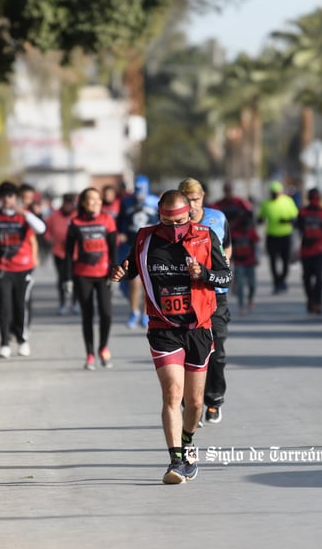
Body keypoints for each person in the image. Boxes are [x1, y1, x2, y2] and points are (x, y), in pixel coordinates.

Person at [110, 190, 232, 484]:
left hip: (199, 328)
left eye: (178, 221)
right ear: (158, 217)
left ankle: (188, 443)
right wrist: (121, 272)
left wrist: (203, 273)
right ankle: (176, 461)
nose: (173, 228)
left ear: (189, 214)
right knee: (172, 394)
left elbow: (226, 276)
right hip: (163, 328)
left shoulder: (205, 237)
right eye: (166, 221)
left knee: (194, 402)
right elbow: (132, 267)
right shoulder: (146, 238)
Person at [179, 178, 232, 425]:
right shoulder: (174, 223)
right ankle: (191, 404)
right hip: (187, 295)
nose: (192, 205)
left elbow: (227, 248)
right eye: (187, 200)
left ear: (203, 198)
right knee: (190, 351)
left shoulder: (218, 218)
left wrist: (220, 266)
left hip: (215, 294)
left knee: (217, 350)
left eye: (196, 199)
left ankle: (214, 399)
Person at [0, 180, 47, 359]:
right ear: (0, 198)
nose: (7, 200)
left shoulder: (24, 216)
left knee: (20, 305)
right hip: (1, 268)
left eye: (11, 196)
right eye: (4, 196)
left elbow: (41, 229)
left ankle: (22, 340)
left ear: (16, 198)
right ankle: (4, 343)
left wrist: (25, 213)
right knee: (4, 306)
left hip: (23, 267)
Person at [64, 187, 118, 370]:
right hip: (82, 274)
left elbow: (114, 249)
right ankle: (89, 354)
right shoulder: (75, 222)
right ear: (83, 204)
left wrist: (115, 271)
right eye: (90, 200)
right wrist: (67, 278)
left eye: (97, 200)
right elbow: (69, 252)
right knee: (87, 315)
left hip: (103, 275)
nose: (94, 203)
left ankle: (103, 347)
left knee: (107, 314)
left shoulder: (107, 220)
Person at [116, 174, 159, 328]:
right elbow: (120, 220)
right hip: (130, 244)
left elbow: (162, 220)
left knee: (147, 281)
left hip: (150, 246)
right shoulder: (126, 202)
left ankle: (146, 313)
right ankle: (134, 311)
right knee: (133, 282)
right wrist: (120, 232)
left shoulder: (155, 202)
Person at [295, 188, 322, 315]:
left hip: (319, 251)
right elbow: (297, 232)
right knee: (307, 277)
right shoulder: (302, 212)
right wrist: (295, 249)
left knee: (319, 278)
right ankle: (310, 299)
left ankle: (318, 303)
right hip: (306, 251)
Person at [257, 180, 298, 294]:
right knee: (273, 261)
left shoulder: (288, 201)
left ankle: (282, 280)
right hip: (272, 236)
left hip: (285, 235)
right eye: (273, 193)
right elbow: (261, 217)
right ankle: (277, 283)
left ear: (281, 192)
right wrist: (258, 220)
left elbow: (295, 218)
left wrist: (286, 221)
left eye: (277, 193)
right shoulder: (266, 204)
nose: (275, 195)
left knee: (285, 261)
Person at [44, 193, 79, 315]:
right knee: (62, 278)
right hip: (59, 252)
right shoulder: (54, 215)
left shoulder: (77, 215)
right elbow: (46, 230)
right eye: (66, 203)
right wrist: (50, 238)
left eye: (71, 203)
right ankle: (63, 303)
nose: (68, 206)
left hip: (74, 253)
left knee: (75, 278)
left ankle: (75, 303)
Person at [231, 210, 260, 315]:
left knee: (252, 284)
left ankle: (250, 299)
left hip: (250, 261)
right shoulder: (233, 231)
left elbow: (257, 245)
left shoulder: (251, 231)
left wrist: (257, 257)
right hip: (239, 262)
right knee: (240, 285)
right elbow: (230, 247)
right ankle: (241, 305)